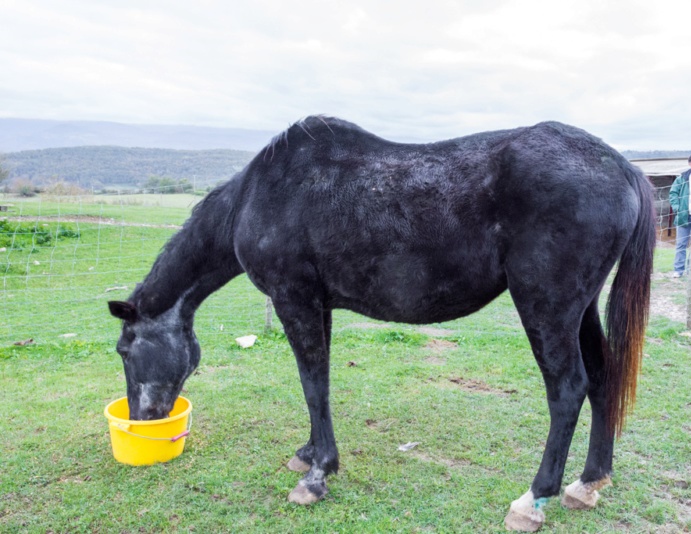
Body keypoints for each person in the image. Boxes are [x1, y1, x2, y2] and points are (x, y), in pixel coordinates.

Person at [670, 155, 691, 277]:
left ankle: (690, 271)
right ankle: (678, 270)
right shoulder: (682, 178)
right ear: (689, 163)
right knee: (681, 244)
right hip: (684, 216)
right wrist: (677, 208)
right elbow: (673, 193)